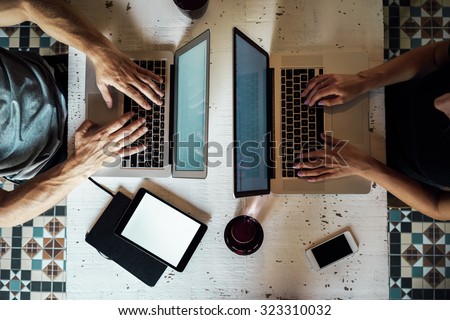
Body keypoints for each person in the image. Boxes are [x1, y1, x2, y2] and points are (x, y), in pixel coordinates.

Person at [0, 0, 164, 227]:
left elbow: (25, 5)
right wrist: (82, 163)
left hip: (62, 77)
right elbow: (3, 213)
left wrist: (100, 51)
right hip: (57, 163)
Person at [295, 40, 450, 221]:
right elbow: (434, 56)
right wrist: (364, 80)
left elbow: (437, 207)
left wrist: (366, 167)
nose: (439, 103)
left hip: (389, 169)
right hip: (383, 90)